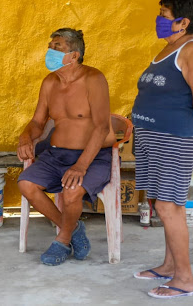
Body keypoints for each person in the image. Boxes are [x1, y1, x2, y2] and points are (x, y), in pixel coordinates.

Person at [131, 0, 193, 299]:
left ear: (184, 21)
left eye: (165, 15)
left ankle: (185, 280)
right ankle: (168, 266)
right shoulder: (168, 50)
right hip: (154, 136)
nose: (160, 19)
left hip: (173, 138)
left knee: (169, 206)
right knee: (161, 203)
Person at [17, 28, 115, 265]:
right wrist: (25, 138)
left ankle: (62, 240)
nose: (50, 51)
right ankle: (72, 228)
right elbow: (38, 122)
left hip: (92, 157)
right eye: (50, 46)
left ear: (74, 55)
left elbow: (102, 127)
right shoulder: (50, 82)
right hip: (56, 155)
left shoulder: (94, 78)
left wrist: (81, 166)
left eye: (57, 47)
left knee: (72, 192)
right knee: (26, 184)